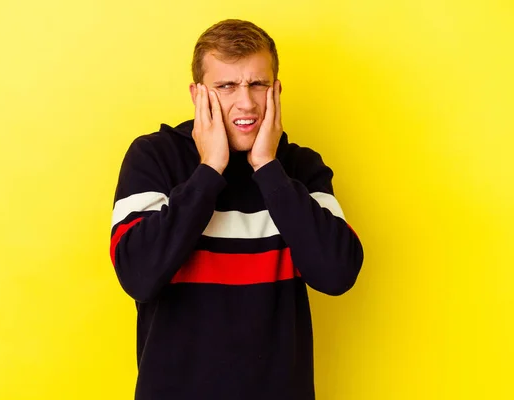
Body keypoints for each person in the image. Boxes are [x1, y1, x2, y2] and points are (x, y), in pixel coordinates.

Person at [110, 19, 364, 400]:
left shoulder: (299, 168)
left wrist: (268, 167)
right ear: (198, 94)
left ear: (275, 89)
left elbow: (337, 274)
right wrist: (210, 169)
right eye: (226, 86)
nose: (246, 103)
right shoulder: (154, 158)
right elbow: (138, 276)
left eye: (257, 84)